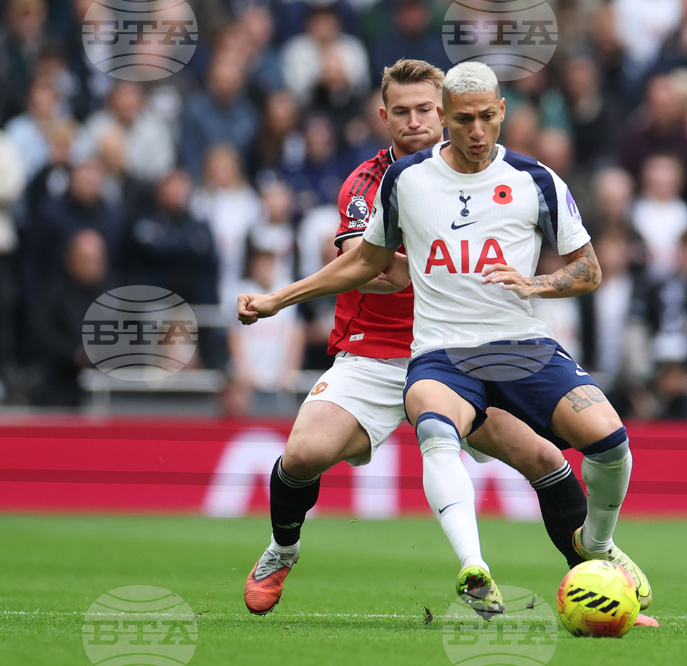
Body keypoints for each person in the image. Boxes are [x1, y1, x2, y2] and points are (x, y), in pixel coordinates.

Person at [240, 60, 651, 621]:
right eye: (401, 112)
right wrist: (282, 298)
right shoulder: (377, 181)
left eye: (425, 110)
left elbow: (580, 264)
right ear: (384, 117)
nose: (415, 122)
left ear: (447, 111)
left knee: (543, 458)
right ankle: (283, 547)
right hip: (379, 349)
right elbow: (367, 263)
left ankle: (597, 571)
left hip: (470, 353)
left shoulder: (506, 174)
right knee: (305, 453)